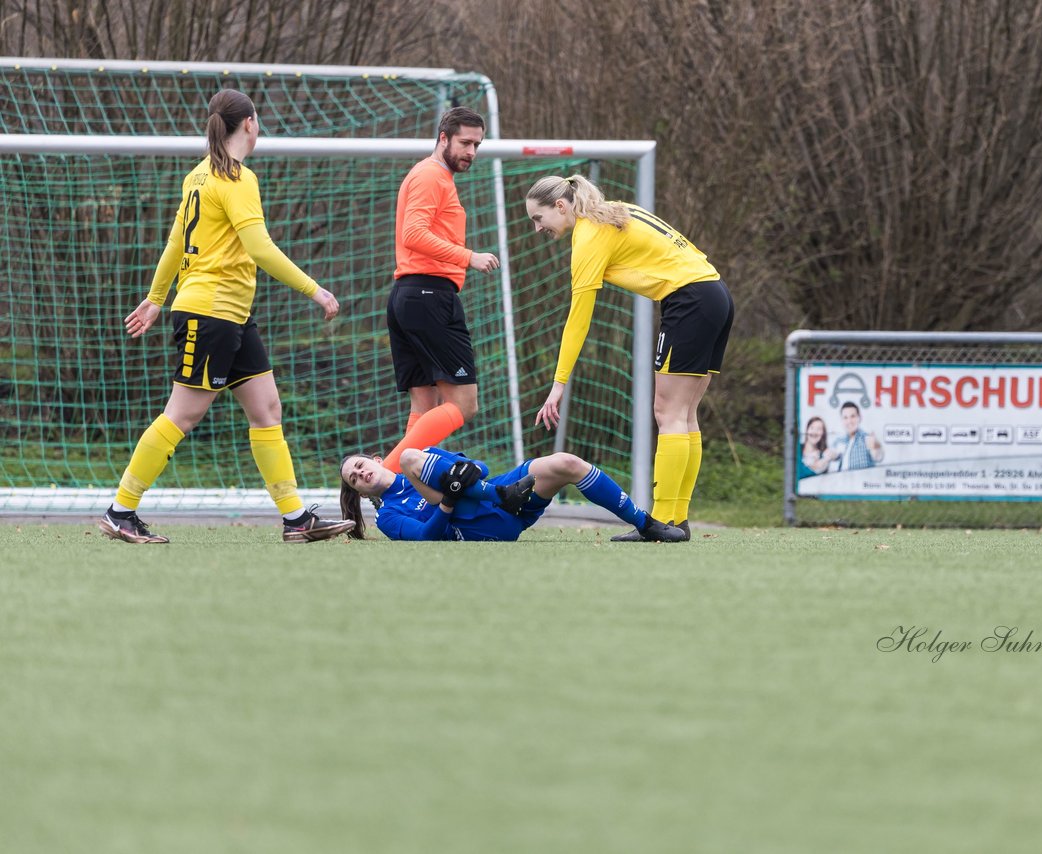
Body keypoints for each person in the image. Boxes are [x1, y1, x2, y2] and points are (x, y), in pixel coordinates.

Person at [98, 88, 353, 544]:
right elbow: (259, 248)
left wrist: (157, 298)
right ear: (250, 124)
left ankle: (296, 518)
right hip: (209, 313)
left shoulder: (198, 176)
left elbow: (177, 243)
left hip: (233, 315)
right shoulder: (236, 178)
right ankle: (121, 510)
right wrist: (315, 290)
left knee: (266, 409)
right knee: (182, 415)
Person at [524, 174, 733, 543]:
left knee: (668, 414)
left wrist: (558, 385)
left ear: (560, 206)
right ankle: (677, 521)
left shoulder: (589, 235)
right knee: (684, 415)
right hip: (715, 294)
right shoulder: (617, 212)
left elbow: (578, 318)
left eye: (539, 219)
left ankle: (662, 523)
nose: (537, 228)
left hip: (689, 301)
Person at [382, 106, 501, 473]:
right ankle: (382, 475)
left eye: (478, 145)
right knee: (464, 404)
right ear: (443, 137)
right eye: (465, 142)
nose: (472, 152)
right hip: (429, 296)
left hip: (411, 297)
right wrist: (469, 257)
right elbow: (413, 234)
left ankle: (396, 488)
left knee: (425, 408)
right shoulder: (431, 176)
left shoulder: (435, 176)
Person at [338, 447, 688, 542]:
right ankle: (499, 497)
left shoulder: (426, 456)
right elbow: (427, 536)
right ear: (360, 490)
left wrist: (467, 477)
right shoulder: (387, 516)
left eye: (359, 466)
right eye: (354, 479)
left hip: (509, 493)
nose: (360, 474)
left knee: (566, 463)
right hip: (486, 525)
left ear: (375, 460)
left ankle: (646, 524)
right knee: (412, 456)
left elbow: (478, 468)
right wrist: (447, 500)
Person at [831, 402, 884, 471]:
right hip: (841, 480)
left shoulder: (866, 438)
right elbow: (833, 456)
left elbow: (878, 457)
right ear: (842, 420)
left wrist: (875, 447)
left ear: (859, 418)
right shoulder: (839, 440)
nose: (849, 421)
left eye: (852, 416)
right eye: (845, 417)